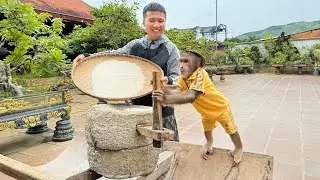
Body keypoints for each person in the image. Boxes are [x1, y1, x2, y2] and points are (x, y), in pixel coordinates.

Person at [73, 2, 180, 141]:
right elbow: (113, 55)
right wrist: (87, 56)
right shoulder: (134, 45)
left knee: (169, 149)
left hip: (163, 110)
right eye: (151, 20)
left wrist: (168, 80)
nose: (156, 25)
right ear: (143, 22)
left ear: (165, 22)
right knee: (140, 149)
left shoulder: (171, 49)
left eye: (160, 21)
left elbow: (177, 77)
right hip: (135, 108)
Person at [152, 51, 243, 165]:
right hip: (206, 112)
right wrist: (162, 87)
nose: (181, 66)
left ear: (197, 63)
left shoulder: (200, 74)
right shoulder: (184, 78)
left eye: (186, 61)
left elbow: (191, 95)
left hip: (220, 107)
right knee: (207, 130)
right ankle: (209, 144)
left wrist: (165, 99)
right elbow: (178, 89)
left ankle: (238, 148)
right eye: (181, 61)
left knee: (231, 130)